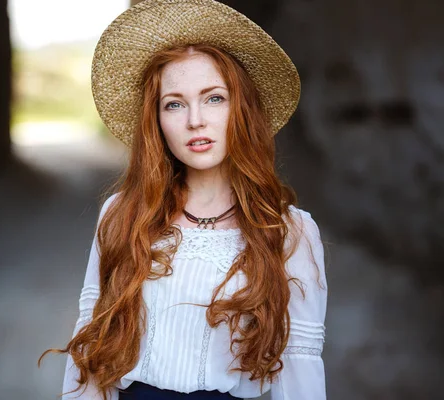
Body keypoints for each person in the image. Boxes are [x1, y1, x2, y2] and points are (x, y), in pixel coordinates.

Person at [39, 0, 327, 399]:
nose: (195, 120)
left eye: (214, 98)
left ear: (241, 108)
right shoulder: (122, 215)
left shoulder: (289, 231)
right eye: (174, 104)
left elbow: (299, 366)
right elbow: (93, 346)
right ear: (156, 121)